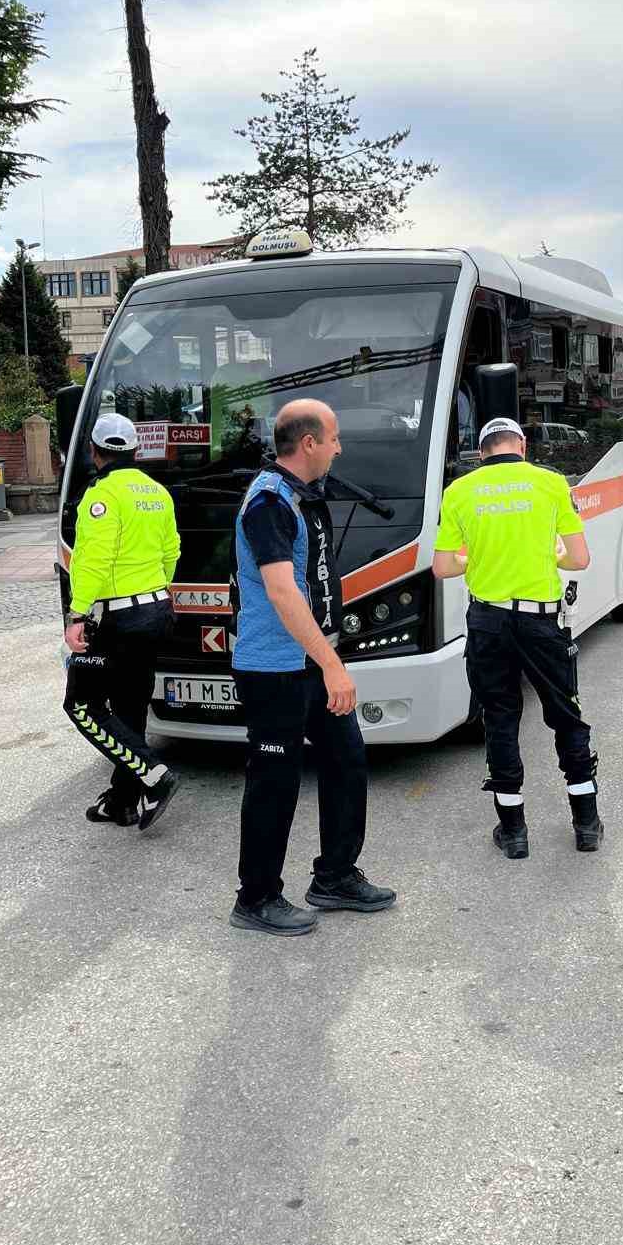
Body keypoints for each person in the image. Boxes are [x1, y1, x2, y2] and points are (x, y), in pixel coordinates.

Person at [231, 398, 396, 937]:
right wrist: (332, 665)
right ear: (308, 444)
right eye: (333, 438)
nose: (339, 447)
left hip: (312, 658)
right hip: (276, 668)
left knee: (347, 762)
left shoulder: (306, 497)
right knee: (274, 783)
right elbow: (281, 592)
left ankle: (335, 876)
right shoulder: (269, 503)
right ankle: (256, 898)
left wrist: (328, 656)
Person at [432, 415, 601, 859]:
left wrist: (480, 558)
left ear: (481, 450)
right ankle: (586, 824)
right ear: (522, 446)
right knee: (566, 716)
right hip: (541, 623)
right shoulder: (550, 484)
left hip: (488, 623)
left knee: (501, 717)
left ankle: (514, 832)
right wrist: (552, 551)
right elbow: (579, 558)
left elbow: (443, 566)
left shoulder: (458, 492)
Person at [62, 413, 182, 831]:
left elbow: (93, 559)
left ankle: (153, 776)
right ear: (135, 451)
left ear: (94, 452)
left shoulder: (102, 495)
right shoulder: (157, 492)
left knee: (81, 704)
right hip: (155, 612)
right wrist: (159, 591)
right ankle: (123, 800)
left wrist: (77, 615)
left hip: (117, 618)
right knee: (130, 707)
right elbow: (172, 552)